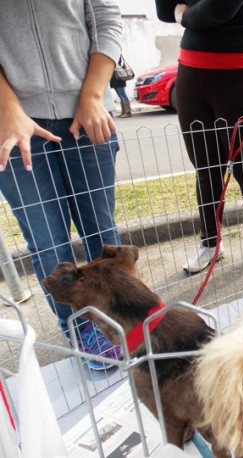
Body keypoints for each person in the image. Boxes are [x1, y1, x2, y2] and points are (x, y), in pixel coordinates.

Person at [0, 0, 124, 369]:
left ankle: (122, 314)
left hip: (88, 111)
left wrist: (93, 95)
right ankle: (80, 325)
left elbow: (105, 16)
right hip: (11, 120)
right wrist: (7, 108)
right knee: (46, 240)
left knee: (102, 229)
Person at [155, 0, 243, 273]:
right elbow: (164, 11)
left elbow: (216, 11)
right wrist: (183, 14)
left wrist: (182, 14)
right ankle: (211, 243)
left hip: (242, 75)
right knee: (206, 169)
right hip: (191, 74)